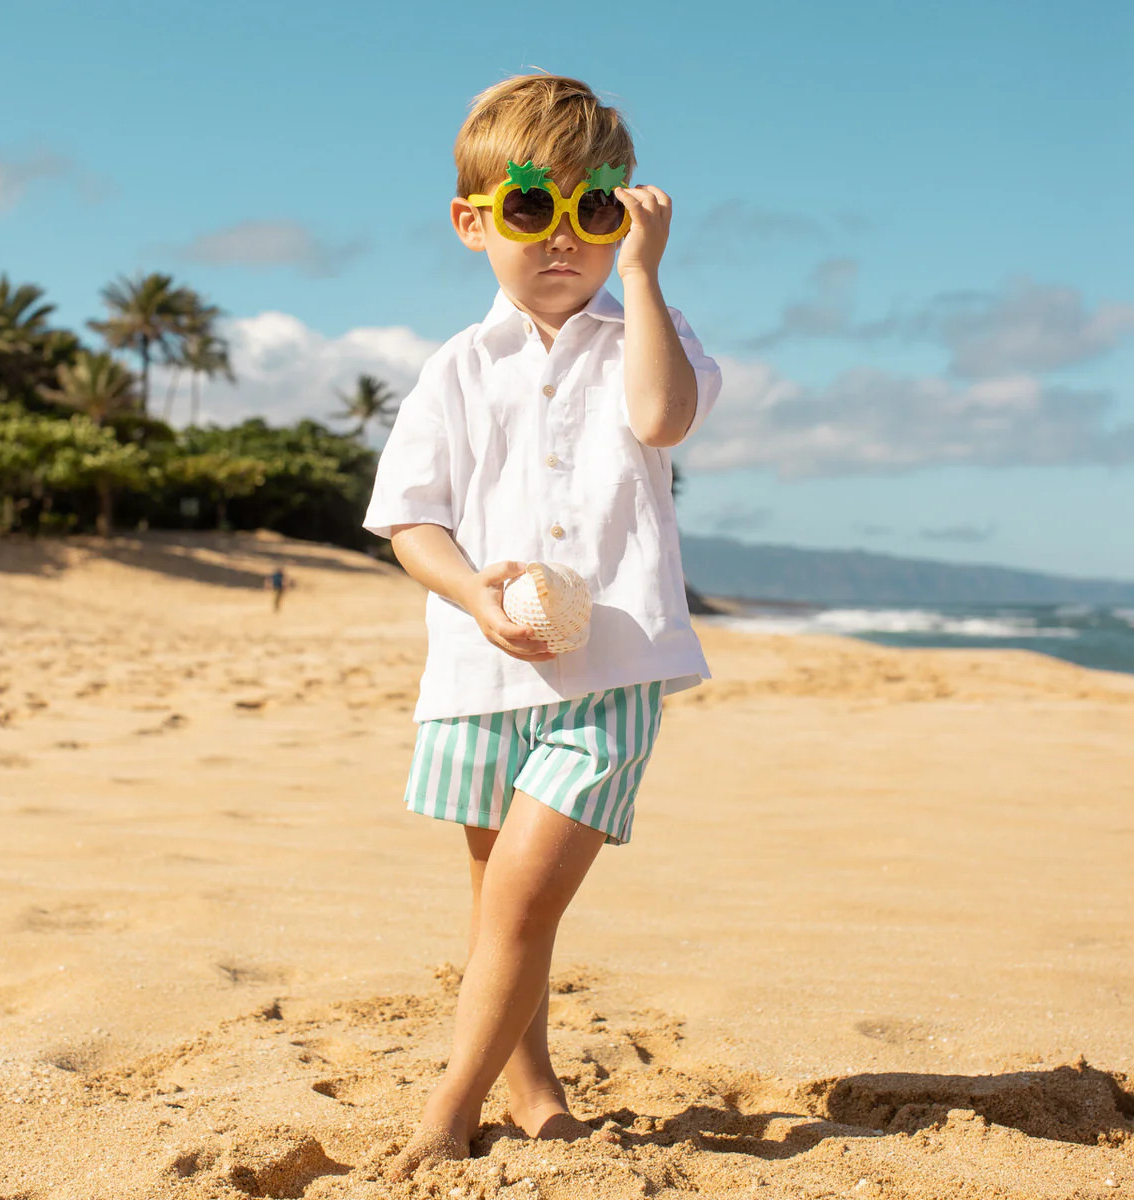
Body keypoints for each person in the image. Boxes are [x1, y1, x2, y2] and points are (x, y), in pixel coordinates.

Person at [362, 73, 721, 1179]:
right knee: (499, 912)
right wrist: (476, 598)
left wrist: (647, 277)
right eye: (531, 210)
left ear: (623, 219)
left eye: (594, 213)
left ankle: (447, 1108)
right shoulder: (456, 369)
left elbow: (663, 419)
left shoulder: (641, 338)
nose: (563, 238)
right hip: (479, 675)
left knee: (520, 900)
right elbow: (409, 520)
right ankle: (532, 1090)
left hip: (609, 677)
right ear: (474, 221)